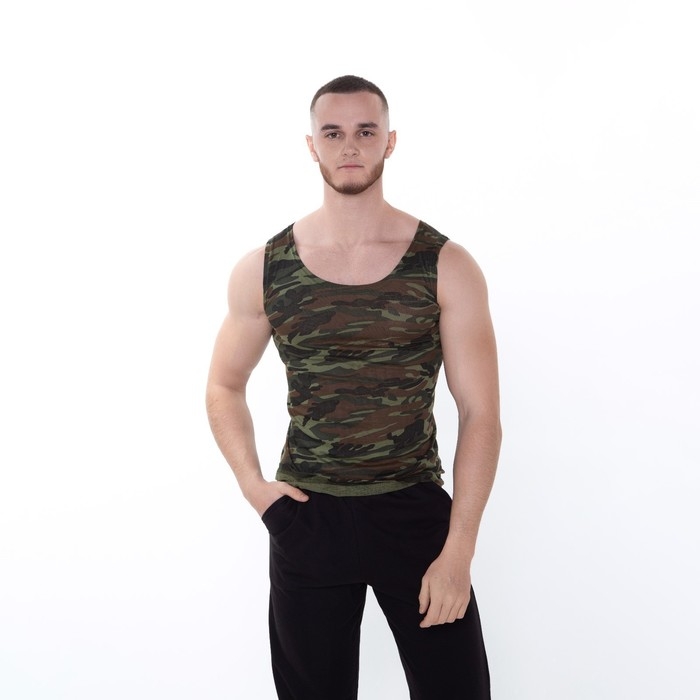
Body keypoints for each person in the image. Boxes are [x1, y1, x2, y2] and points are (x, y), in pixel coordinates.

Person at [205, 75, 501, 699]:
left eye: (366, 132)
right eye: (333, 133)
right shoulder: (266, 267)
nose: (349, 146)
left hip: (414, 516)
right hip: (307, 516)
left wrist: (459, 550)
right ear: (311, 145)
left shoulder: (445, 265)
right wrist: (256, 490)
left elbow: (480, 413)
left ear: (390, 142)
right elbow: (224, 385)